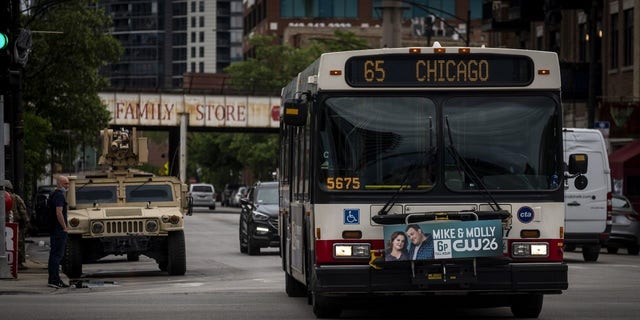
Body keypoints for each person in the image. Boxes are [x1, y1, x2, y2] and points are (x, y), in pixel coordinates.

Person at [47, 175, 70, 288]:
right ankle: (54, 280)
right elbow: (59, 212)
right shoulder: (59, 196)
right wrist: (64, 227)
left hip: (53, 230)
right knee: (57, 256)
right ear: (59, 184)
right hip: (59, 231)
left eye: (68, 183)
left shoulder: (53, 194)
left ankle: (52, 279)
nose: (67, 186)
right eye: (66, 184)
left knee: (53, 255)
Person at [4, 180, 30, 270]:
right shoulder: (15, 197)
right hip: (15, 224)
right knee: (18, 243)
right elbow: (23, 211)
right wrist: (26, 222)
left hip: (3, 224)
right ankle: (18, 263)